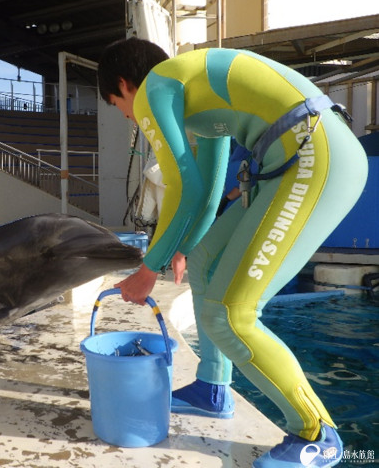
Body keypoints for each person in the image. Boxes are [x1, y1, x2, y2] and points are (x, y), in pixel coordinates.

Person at [98, 37, 367, 468]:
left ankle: (318, 434)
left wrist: (149, 268)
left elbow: (181, 188)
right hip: (306, 156)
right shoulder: (196, 96)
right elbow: (203, 196)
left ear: (125, 84)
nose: (129, 116)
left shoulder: (154, 90)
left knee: (232, 312)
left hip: (313, 158)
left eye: (118, 105)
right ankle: (212, 389)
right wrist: (183, 249)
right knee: (205, 259)